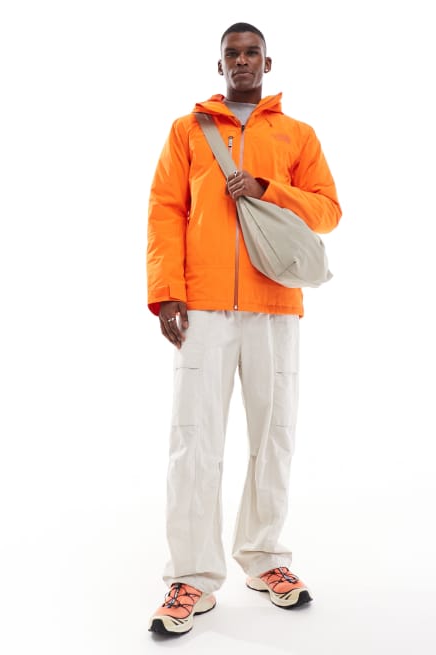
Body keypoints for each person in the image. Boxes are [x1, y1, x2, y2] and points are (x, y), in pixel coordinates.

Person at [146, 22, 342, 636]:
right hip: (201, 308)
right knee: (193, 440)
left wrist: (267, 189)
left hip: (274, 304)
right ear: (220, 65)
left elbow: (328, 211)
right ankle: (191, 577)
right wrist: (167, 292)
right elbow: (165, 210)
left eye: (251, 52)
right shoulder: (187, 131)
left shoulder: (297, 134)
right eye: (232, 53)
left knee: (273, 435)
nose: (242, 60)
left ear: (267, 62)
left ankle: (264, 558)